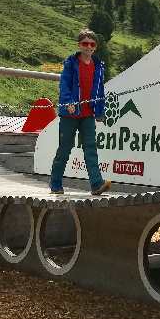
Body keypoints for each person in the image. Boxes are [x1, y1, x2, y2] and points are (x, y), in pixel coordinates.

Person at [50, 29, 111, 195]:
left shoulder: (98, 66)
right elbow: (64, 85)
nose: (88, 47)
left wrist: (100, 110)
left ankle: (96, 184)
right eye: (85, 43)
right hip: (70, 114)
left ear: (95, 47)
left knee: (91, 148)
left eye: (92, 44)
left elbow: (99, 91)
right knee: (65, 148)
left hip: (88, 114)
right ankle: (55, 184)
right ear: (79, 45)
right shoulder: (71, 63)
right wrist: (68, 101)